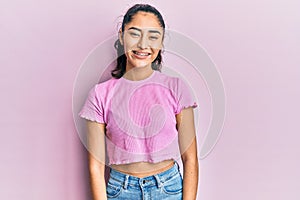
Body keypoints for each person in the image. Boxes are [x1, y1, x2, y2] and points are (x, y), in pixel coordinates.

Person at [79, 4, 199, 200]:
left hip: (168, 188)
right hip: (120, 191)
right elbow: (96, 166)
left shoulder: (176, 88)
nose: (143, 45)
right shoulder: (100, 94)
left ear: (161, 42)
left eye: (153, 36)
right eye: (135, 34)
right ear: (121, 36)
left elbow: (190, 159)